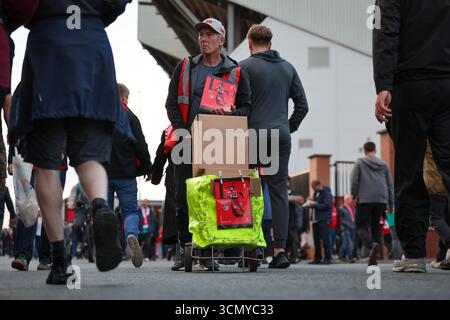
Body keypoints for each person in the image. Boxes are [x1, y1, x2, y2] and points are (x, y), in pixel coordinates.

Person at [11, 0, 132, 285]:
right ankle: (101, 206)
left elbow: (17, 7)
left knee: (47, 163)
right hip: (92, 46)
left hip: (47, 50)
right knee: (89, 156)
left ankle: (60, 259)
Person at [165, 18, 251, 272]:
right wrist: (182, 131)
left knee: (216, 195)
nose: (203, 38)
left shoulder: (236, 72)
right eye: (201, 34)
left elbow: (247, 108)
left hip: (220, 142)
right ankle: (185, 246)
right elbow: (171, 103)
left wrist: (233, 114)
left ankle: (210, 250)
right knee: (184, 196)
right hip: (188, 141)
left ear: (221, 40)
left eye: (209, 34)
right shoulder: (185, 67)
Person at [373, 0, 450, 273]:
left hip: (409, 86)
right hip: (446, 84)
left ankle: (414, 255)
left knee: (409, 171)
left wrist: (382, 85)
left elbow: (384, 34)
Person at [239, 24, 308, 269]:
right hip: (279, 137)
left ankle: (253, 247)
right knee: (279, 192)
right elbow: (303, 106)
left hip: (252, 137)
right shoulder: (288, 68)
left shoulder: (243, 67)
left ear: (249, 43)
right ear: (270, 43)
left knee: (250, 189)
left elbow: (236, 105)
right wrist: (287, 128)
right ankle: (280, 251)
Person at [106, 83, 152, 268]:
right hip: (126, 173)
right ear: (124, 98)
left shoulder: (101, 114)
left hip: (104, 173)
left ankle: (110, 247)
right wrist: (149, 168)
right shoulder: (131, 117)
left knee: (106, 211)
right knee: (130, 211)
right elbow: (140, 144)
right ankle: (131, 234)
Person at [350, 141, 393, 266]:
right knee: (376, 226)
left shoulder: (360, 163)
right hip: (381, 199)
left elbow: (354, 181)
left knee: (360, 226)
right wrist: (390, 203)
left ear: (364, 150)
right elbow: (390, 185)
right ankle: (374, 255)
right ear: (375, 150)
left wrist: (353, 196)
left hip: (365, 198)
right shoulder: (384, 164)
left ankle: (371, 245)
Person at [423, 143, 450, 270]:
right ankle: (441, 257)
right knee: (445, 219)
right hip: (445, 183)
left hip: (436, 183)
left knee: (436, 219)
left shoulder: (432, 139)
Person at [307, 180, 333, 265]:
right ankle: (317, 258)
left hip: (323, 219)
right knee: (316, 240)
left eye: (314, 187)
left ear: (318, 185)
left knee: (325, 240)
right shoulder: (315, 194)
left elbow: (327, 205)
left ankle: (327, 258)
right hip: (315, 220)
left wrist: (313, 205)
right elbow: (317, 203)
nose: (313, 189)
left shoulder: (326, 192)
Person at [338, 195, 356, 263]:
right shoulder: (342, 208)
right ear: (345, 200)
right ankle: (350, 257)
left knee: (346, 243)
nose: (350, 200)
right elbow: (341, 220)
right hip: (346, 228)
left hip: (352, 227)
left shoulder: (352, 208)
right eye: (348, 199)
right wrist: (348, 225)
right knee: (348, 243)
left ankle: (341, 256)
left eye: (350, 199)